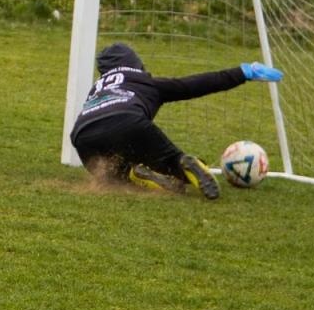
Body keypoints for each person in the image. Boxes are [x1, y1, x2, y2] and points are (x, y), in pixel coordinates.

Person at [68, 43, 282, 200]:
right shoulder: (147, 83)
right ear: (136, 63)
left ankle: (136, 175)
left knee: (112, 177)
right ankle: (183, 163)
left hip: (83, 135)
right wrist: (242, 72)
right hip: (128, 121)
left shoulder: (98, 88)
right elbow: (194, 85)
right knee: (172, 163)